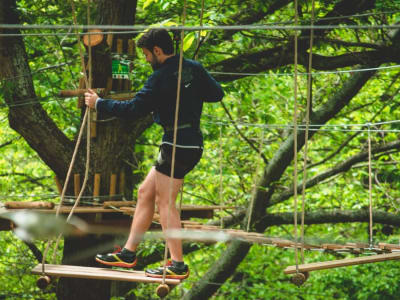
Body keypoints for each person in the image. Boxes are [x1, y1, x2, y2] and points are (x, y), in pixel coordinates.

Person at [84, 28, 224, 279]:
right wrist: (189, 84)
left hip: (176, 145)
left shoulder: (159, 78)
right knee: (145, 192)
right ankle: (128, 252)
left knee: (165, 202)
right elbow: (216, 94)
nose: (147, 60)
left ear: (158, 51)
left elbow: (135, 108)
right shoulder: (193, 68)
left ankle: (177, 264)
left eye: (148, 54)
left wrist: (99, 104)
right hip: (189, 143)